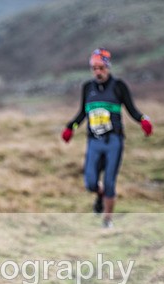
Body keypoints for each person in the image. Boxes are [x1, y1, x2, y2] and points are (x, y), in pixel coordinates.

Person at [61, 48, 153, 228]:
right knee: (90, 182)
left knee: (110, 182)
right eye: (94, 68)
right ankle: (99, 194)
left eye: (101, 68)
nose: (98, 72)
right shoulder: (87, 88)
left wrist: (143, 121)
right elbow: (82, 113)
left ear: (108, 67)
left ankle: (107, 220)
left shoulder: (118, 86)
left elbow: (132, 109)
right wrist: (70, 128)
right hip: (94, 141)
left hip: (113, 141)